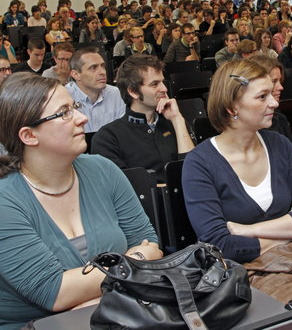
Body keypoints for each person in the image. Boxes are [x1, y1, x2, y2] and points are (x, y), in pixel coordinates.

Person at [0, 73, 162, 329]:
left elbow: (150, 243)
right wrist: (135, 262)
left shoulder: (103, 169)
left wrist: (96, 298)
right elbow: (53, 292)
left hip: (120, 316)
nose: (82, 118)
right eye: (64, 113)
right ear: (29, 136)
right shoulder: (4, 201)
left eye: (74, 106)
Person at [182, 59, 292, 263]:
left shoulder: (279, 145)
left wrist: (248, 231)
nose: (274, 103)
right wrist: (290, 225)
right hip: (241, 280)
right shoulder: (199, 163)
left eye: (271, 94)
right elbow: (219, 245)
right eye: (262, 97)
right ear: (232, 107)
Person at [91, 54, 194, 183]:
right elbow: (122, 190)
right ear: (133, 91)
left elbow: (194, 173)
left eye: (162, 81)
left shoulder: (175, 123)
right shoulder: (108, 138)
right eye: (154, 84)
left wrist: (177, 120)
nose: (164, 88)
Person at [66, 47, 125, 133]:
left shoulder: (116, 93)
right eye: (93, 68)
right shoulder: (65, 96)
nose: (102, 72)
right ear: (76, 74)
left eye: (103, 66)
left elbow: (123, 132)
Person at [248, 55, 292, 145]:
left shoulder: (280, 118)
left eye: (280, 81)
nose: (281, 87)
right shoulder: (244, 126)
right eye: (274, 81)